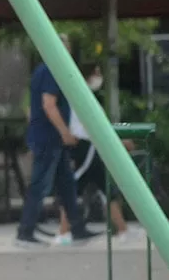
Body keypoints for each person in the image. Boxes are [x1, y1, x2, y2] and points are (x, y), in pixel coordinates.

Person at [16, 36, 95, 248]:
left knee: (66, 184)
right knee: (40, 185)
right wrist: (64, 132)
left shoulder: (43, 70)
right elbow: (48, 105)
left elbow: (34, 108)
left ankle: (76, 228)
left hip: (48, 137)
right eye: (65, 46)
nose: (68, 50)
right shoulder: (52, 70)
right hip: (50, 138)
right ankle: (25, 232)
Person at [56, 64, 133, 243]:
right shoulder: (80, 98)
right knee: (75, 187)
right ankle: (63, 232)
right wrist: (119, 143)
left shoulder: (79, 96)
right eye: (96, 72)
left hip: (88, 146)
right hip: (85, 147)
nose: (99, 77)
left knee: (105, 186)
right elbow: (95, 126)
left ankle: (122, 229)